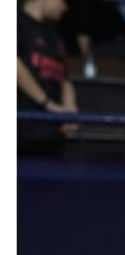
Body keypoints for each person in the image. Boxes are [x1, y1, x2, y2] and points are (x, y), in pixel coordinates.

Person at [18, 0, 79, 156]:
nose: (65, 8)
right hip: (21, 131)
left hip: (51, 136)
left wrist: (70, 109)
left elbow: (65, 77)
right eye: (63, 1)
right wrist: (47, 104)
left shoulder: (54, 34)